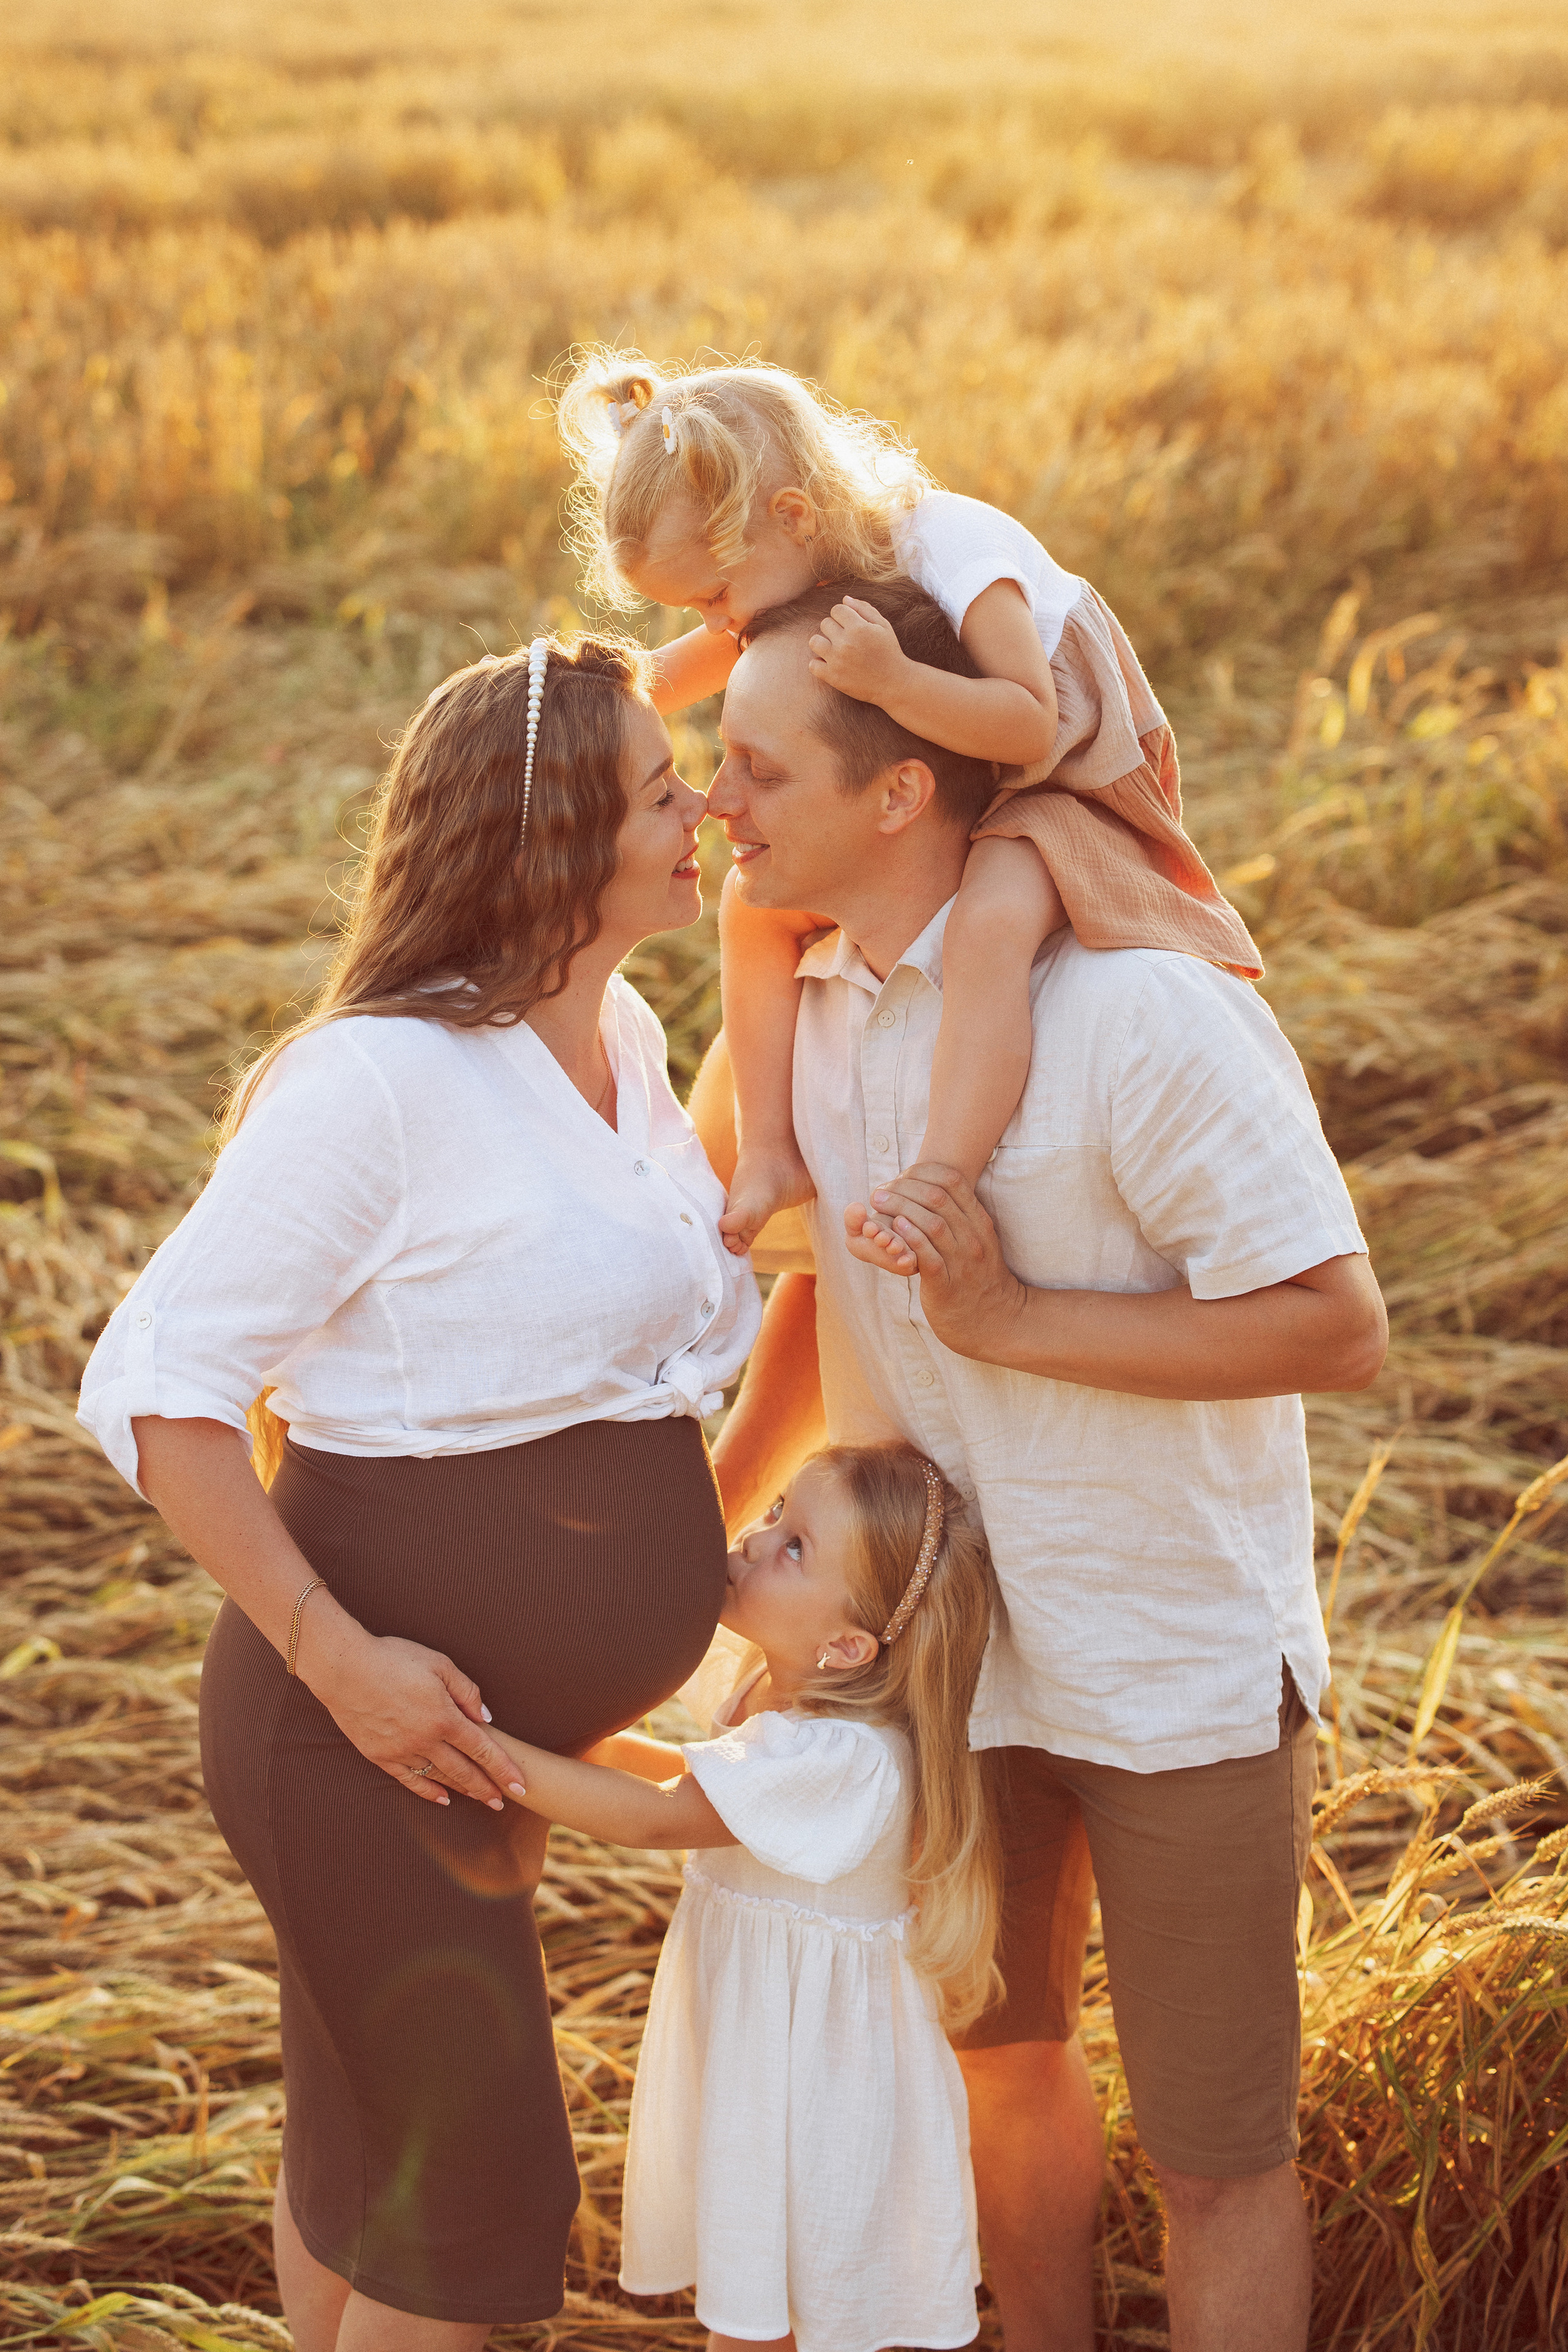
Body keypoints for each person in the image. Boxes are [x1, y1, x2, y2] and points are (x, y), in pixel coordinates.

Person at [692, 577, 1389, 2352]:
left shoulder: (1141, 1015)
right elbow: (810, 1302)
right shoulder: (817, 1019)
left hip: (1170, 1672)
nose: (721, 807)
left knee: (1219, 2152)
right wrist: (692, 1577)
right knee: (996, 2082)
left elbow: (1334, 1326)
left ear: (901, 793)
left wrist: (1012, 1323)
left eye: (760, 770)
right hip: (944, 1672)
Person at [77, 636, 760, 2352]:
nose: (707, 814)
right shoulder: (378, 1084)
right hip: (351, 1731)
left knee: (368, 2161)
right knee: (483, 2206)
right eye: (663, 792)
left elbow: (643, 1363)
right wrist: (335, 1659)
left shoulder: (624, 1027)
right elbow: (160, 1387)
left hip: (471, 1751)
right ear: (549, 842)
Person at [556, 350, 1261, 1258]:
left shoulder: (952, 543)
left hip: (1069, 782)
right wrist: (585, 699)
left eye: (716, 597)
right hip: (962, 778)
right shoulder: (792, 560)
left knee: (991, 923)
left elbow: (1026, 724)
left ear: (793, 517)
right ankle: (771, 1150)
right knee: (750, 907)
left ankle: (944, 1172)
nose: (721, 625)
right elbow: (691, 665)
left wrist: (892, 681)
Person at [486, 1439, 1001, 2352]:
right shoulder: (773, 1693)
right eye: (775, 1515)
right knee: (759, 2307)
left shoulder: (848, 1757)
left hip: (820, 2082)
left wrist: (488, 1755)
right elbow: (680, 1778)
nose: (759, 1539)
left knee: (798, 2314)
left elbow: (657, 1816)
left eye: (796, 1545)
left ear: (846, 1644)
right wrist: (562, 1745)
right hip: (766, 2047)